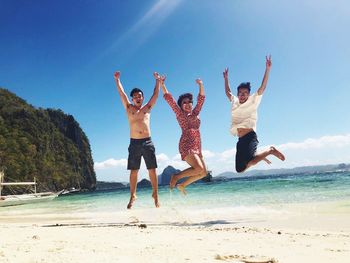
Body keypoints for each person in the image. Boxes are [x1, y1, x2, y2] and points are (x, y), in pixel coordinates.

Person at [223, 56, 285, 173]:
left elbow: (263, 87)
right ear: (238, 93)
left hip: (250, 137)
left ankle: (270, 151)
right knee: (239, 169)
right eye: (240, 93)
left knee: (249, 163)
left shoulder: (253, 100)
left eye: (245, 93)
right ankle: (260, 155)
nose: (242, 95)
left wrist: (268, 69)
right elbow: (227, 91)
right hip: (240, 139)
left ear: (249, 94)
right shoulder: (234, 101)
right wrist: (226, 78)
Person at [114, 71, 161, 209]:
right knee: (134, 171)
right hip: (134, 143)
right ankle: (132, 195)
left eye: (139, 96)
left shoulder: (147, 108)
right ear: (132, 99)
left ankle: (156, 195)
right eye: (135, 97)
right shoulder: (129, 108)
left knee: (152, 169)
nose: (137, 98)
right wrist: (117, 80)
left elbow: (156, 95)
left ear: (142, 97)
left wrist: (157, 81)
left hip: (147, 141)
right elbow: (121, 94)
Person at [160, 75, 207, 195]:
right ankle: (176, 177)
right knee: (199, 168)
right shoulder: (180, 114)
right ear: (181, 106)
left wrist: (201, 84)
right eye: (184, 103)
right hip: (187, 143)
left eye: (189, 102)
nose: (187, 104)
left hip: (197, 145)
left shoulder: (196, 113)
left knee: (203, 173)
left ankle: (182, 185)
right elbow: (170, 100)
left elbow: (201, 99)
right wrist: (162, 84)